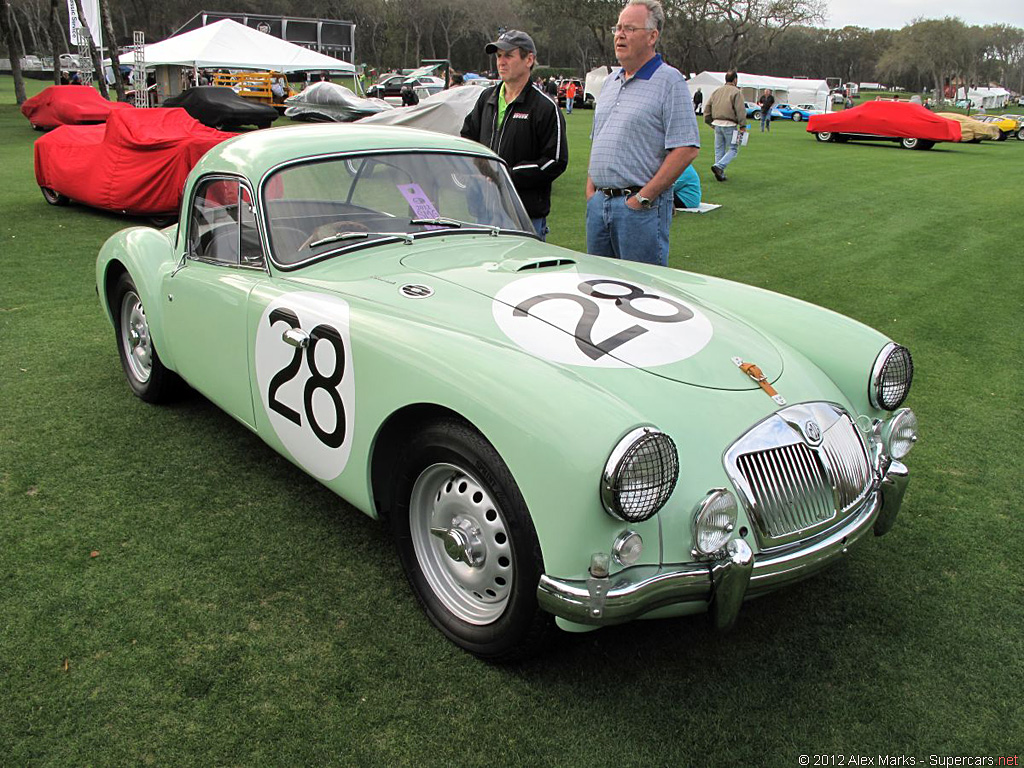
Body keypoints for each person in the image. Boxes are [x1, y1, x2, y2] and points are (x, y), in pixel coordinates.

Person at [585, 0, 699, 267]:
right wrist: (591, 190)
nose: (620, 35)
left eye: (629, 29)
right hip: (599, 206)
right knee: (599, 289)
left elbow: (686, 148)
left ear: (652, 36)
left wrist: (642, 198)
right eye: (618, 28)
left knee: (641, 297)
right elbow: (599, 139)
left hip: (638, 212)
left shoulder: (670, 81)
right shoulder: (611, 82)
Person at [461, 30, 568, 241]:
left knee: (523, 274)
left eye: (508, 55)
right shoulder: (487, 98)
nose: (501, 62)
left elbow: (555, 161)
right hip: (482, 210)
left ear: (529, 59)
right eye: (498, 56)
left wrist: (505, 175)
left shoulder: (544, 107)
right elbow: (467, 139)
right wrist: (473, 170)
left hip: (524, 216)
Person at [703, 69, 745, 182]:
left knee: (719, 149)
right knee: (733, 149)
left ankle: (720, 173)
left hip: (717, 123)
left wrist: (708, 121)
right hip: (730, 124)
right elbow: (740, 110)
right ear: (735, 80)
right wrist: (743, 125)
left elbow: (707, 108)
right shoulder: (736, 92)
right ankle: (719, 167)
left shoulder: (717, 91)